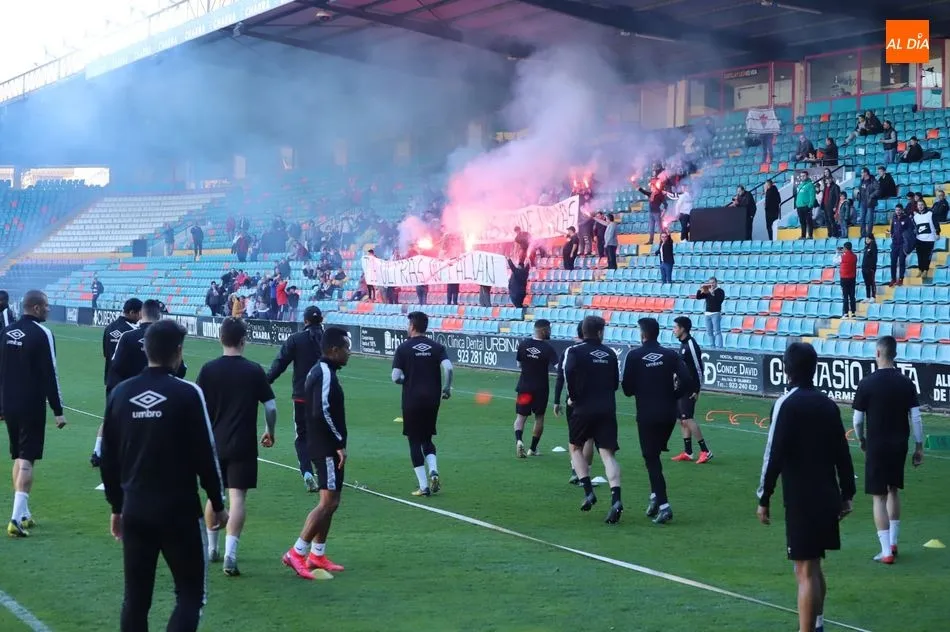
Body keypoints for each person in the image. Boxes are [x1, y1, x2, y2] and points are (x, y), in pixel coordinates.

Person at [100, 319, 226, 631]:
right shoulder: (187, 393)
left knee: (136, 598)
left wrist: (116, 507)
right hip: (179, 512)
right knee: (189, 595)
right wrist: (217, 501)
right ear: (178, 351)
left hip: (136, 510)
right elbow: (205, 454)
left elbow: (108, 459)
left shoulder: (120, 393)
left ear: (145, 350)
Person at [756, 342, 855, 632]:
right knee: (814, 562)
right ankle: (819, 624)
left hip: (801, 496)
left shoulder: (785, 404)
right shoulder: (828, 404)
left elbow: (773, 453)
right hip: (826, 493)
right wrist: (847, 493)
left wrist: (764, 496)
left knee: (805, 569)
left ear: (786, 369)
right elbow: (842, 451)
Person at [196, 317, 277, 576]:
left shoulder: (208, 370)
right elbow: (271, 405)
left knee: (213, 495)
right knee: (237, 498)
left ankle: (212, 548)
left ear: (220, 338)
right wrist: (269, 431)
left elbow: (197, 407)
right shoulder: (254, 370)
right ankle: (231, 554)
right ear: (244, 341)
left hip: (212, 444)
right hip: (242, 443)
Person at [283, 327, 352, 580]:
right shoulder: (323, 372)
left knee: (332, 502)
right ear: (333, 350)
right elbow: (320, 411)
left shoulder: (325, 370)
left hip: (324, 445)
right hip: (324, 447)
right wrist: (337, 443)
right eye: (346, 348)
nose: (349, 352)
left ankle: (317, 554)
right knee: (327, 503)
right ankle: (297, 552)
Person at [0, 290, 67, 537]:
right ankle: (15, 519)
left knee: (18, 455)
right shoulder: (43, 334)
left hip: (9, 403)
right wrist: (58, 411)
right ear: (37, 308)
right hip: (30, 404)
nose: (49, 309)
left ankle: (25, 513)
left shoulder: (6, 332)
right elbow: (51, 373)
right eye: (47, 306)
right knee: (27, 458)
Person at [852, 336, 924, 565]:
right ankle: (893, 542)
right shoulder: (906, 382)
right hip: (899, 444)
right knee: (893, 490)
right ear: (894, 354)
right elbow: (916, 417)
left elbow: (857, 419)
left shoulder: (867, 383)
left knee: (878, 497)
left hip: (876, 444)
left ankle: (885, 552)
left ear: (877, 353)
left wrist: (861, 438)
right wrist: (919, 446)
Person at [621, 317, 693, 525]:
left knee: (651, 460)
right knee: (653, 456)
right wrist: (674, 395)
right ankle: (654, 497)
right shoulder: (670, 354)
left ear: (642, 334)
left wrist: (641, 388)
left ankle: (663, 505)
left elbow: (626, 389)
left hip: (647, 414)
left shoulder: (634, 355)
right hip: (669, 414)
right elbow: (687, 380)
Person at [562, 316, 623, 523]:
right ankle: (616, 498)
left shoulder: (575, 351)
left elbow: (567, 371)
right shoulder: (610, 353)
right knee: (607, 455)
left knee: (575, 447)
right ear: (599, 332)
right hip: (606, 408)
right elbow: (616, 383)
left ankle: (588, 491)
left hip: (583, 408)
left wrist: (573, 397)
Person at [391, 312, 453, 496]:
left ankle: (424, 486)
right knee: (427, 438)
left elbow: (395, 377)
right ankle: (433, 469)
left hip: (412, 399)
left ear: (412, 326)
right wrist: (447, 388)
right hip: (432, 399)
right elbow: (448, 367)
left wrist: (406, 381)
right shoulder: (436, 346)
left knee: (413, 441)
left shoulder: (403, 348)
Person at [266, 306, 324, 492]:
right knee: (323, 435)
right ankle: (325, 473)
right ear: (320, 320)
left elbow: (280, 363)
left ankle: (307, 473)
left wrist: (266, 382)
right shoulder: (328, 339)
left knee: (302, 436)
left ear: (305, 321)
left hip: (302, 396)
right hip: (325, 395)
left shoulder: (296, 339)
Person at [91, 298, 143, 468]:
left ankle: (97, 451)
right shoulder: (133, 333)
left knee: (109, 417)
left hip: (111, 380)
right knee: (132, 418)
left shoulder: (110, 328)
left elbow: (107, 354)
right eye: (140, 312)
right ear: (133, 312)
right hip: (128, 381)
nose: (142, 316)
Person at [107, 299, 187, 395]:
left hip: (133, 393)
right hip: (163, 393)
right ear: (159, 315)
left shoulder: (127, 337)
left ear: (142, 314)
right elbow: (180, 370)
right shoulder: (167, 337)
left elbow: (116, 367)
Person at [554, 322, 595, 485]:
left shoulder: (568, 351)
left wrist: (557, 401)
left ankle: (575, 470)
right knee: (589, 438)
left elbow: (560, 377)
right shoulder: (599, 352)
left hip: (572, 399)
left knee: (574, 437)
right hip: (592, 400)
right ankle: (585, 475)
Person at [670, 317, 713, 464]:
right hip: (681, 387)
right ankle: (688, 452)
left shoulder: (690, 345)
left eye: (675, 327)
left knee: (687, 418)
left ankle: (705, 451)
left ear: (683, 328)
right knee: (682, 420)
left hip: (689, 388)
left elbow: (698, 368)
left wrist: (697, 389)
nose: (673, 330)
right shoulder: (683, 345)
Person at [513, 319, 558, 458]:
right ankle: (532, 448)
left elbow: (518, 364)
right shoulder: (548, 348)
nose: (550, 331)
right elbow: (558, 368)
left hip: (524, 387)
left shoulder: (523, 344)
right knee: (539, 418)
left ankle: (519, 440)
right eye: (549, 329)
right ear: (543, 330)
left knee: (520, 417)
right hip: (541, 389)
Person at [912, 202, 941, 279]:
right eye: (919, 205)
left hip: (930, 238)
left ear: (924, 205)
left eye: (921, 205)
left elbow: (936, 224)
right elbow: (914, 228)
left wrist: (938, 233)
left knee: (927, 255)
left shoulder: (930, 214)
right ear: (917, 206)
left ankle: (925, 270)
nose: (920, 206)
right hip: (919, 238)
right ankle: (920, 269)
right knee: (919, 255)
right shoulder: (915, 216)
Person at [696, 278, 725, 348]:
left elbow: (719, 301)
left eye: (713, 282)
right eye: (710, 283)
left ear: (716, 283)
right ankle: (712, 346)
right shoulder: (707, 291)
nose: (712, 284)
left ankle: (720, 347)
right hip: (707, 314)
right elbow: (698, 297)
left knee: (717, 331)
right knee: (709, 332)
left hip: (716, 313)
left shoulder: (720, 291)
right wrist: (700, 290)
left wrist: (712, 293)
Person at [835, 242, 857, 318]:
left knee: (845, 296)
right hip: (852, 278)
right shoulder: (854, 256)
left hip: (844, 278)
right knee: (852, 296)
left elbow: (834, 261)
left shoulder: (842, 257)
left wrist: (837, 253)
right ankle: (853, 313)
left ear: (845, 248)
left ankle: (846, 313)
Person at [794, 171, 817, 240]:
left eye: (804, 176)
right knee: (802, 222)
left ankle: (810, 235)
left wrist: (810, 206)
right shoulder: (800, 185)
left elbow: (812, 196)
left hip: (806, 206)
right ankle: (803, 236)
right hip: (799, 206)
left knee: (809, 221)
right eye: (801, 176)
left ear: (807, 176)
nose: (802, 177)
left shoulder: (810, 184)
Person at [862, 235, 878, 303]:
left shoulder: (873, 246)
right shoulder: (866, 247)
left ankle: (873, 296)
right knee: (867, 283)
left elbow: (874, 258)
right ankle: (867, 296)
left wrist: (872, 267)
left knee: (872, 282)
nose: (867, 240)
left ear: (871, 239)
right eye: (866, 239)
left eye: (868, 239)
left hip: (870, 268)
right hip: (864, 267)